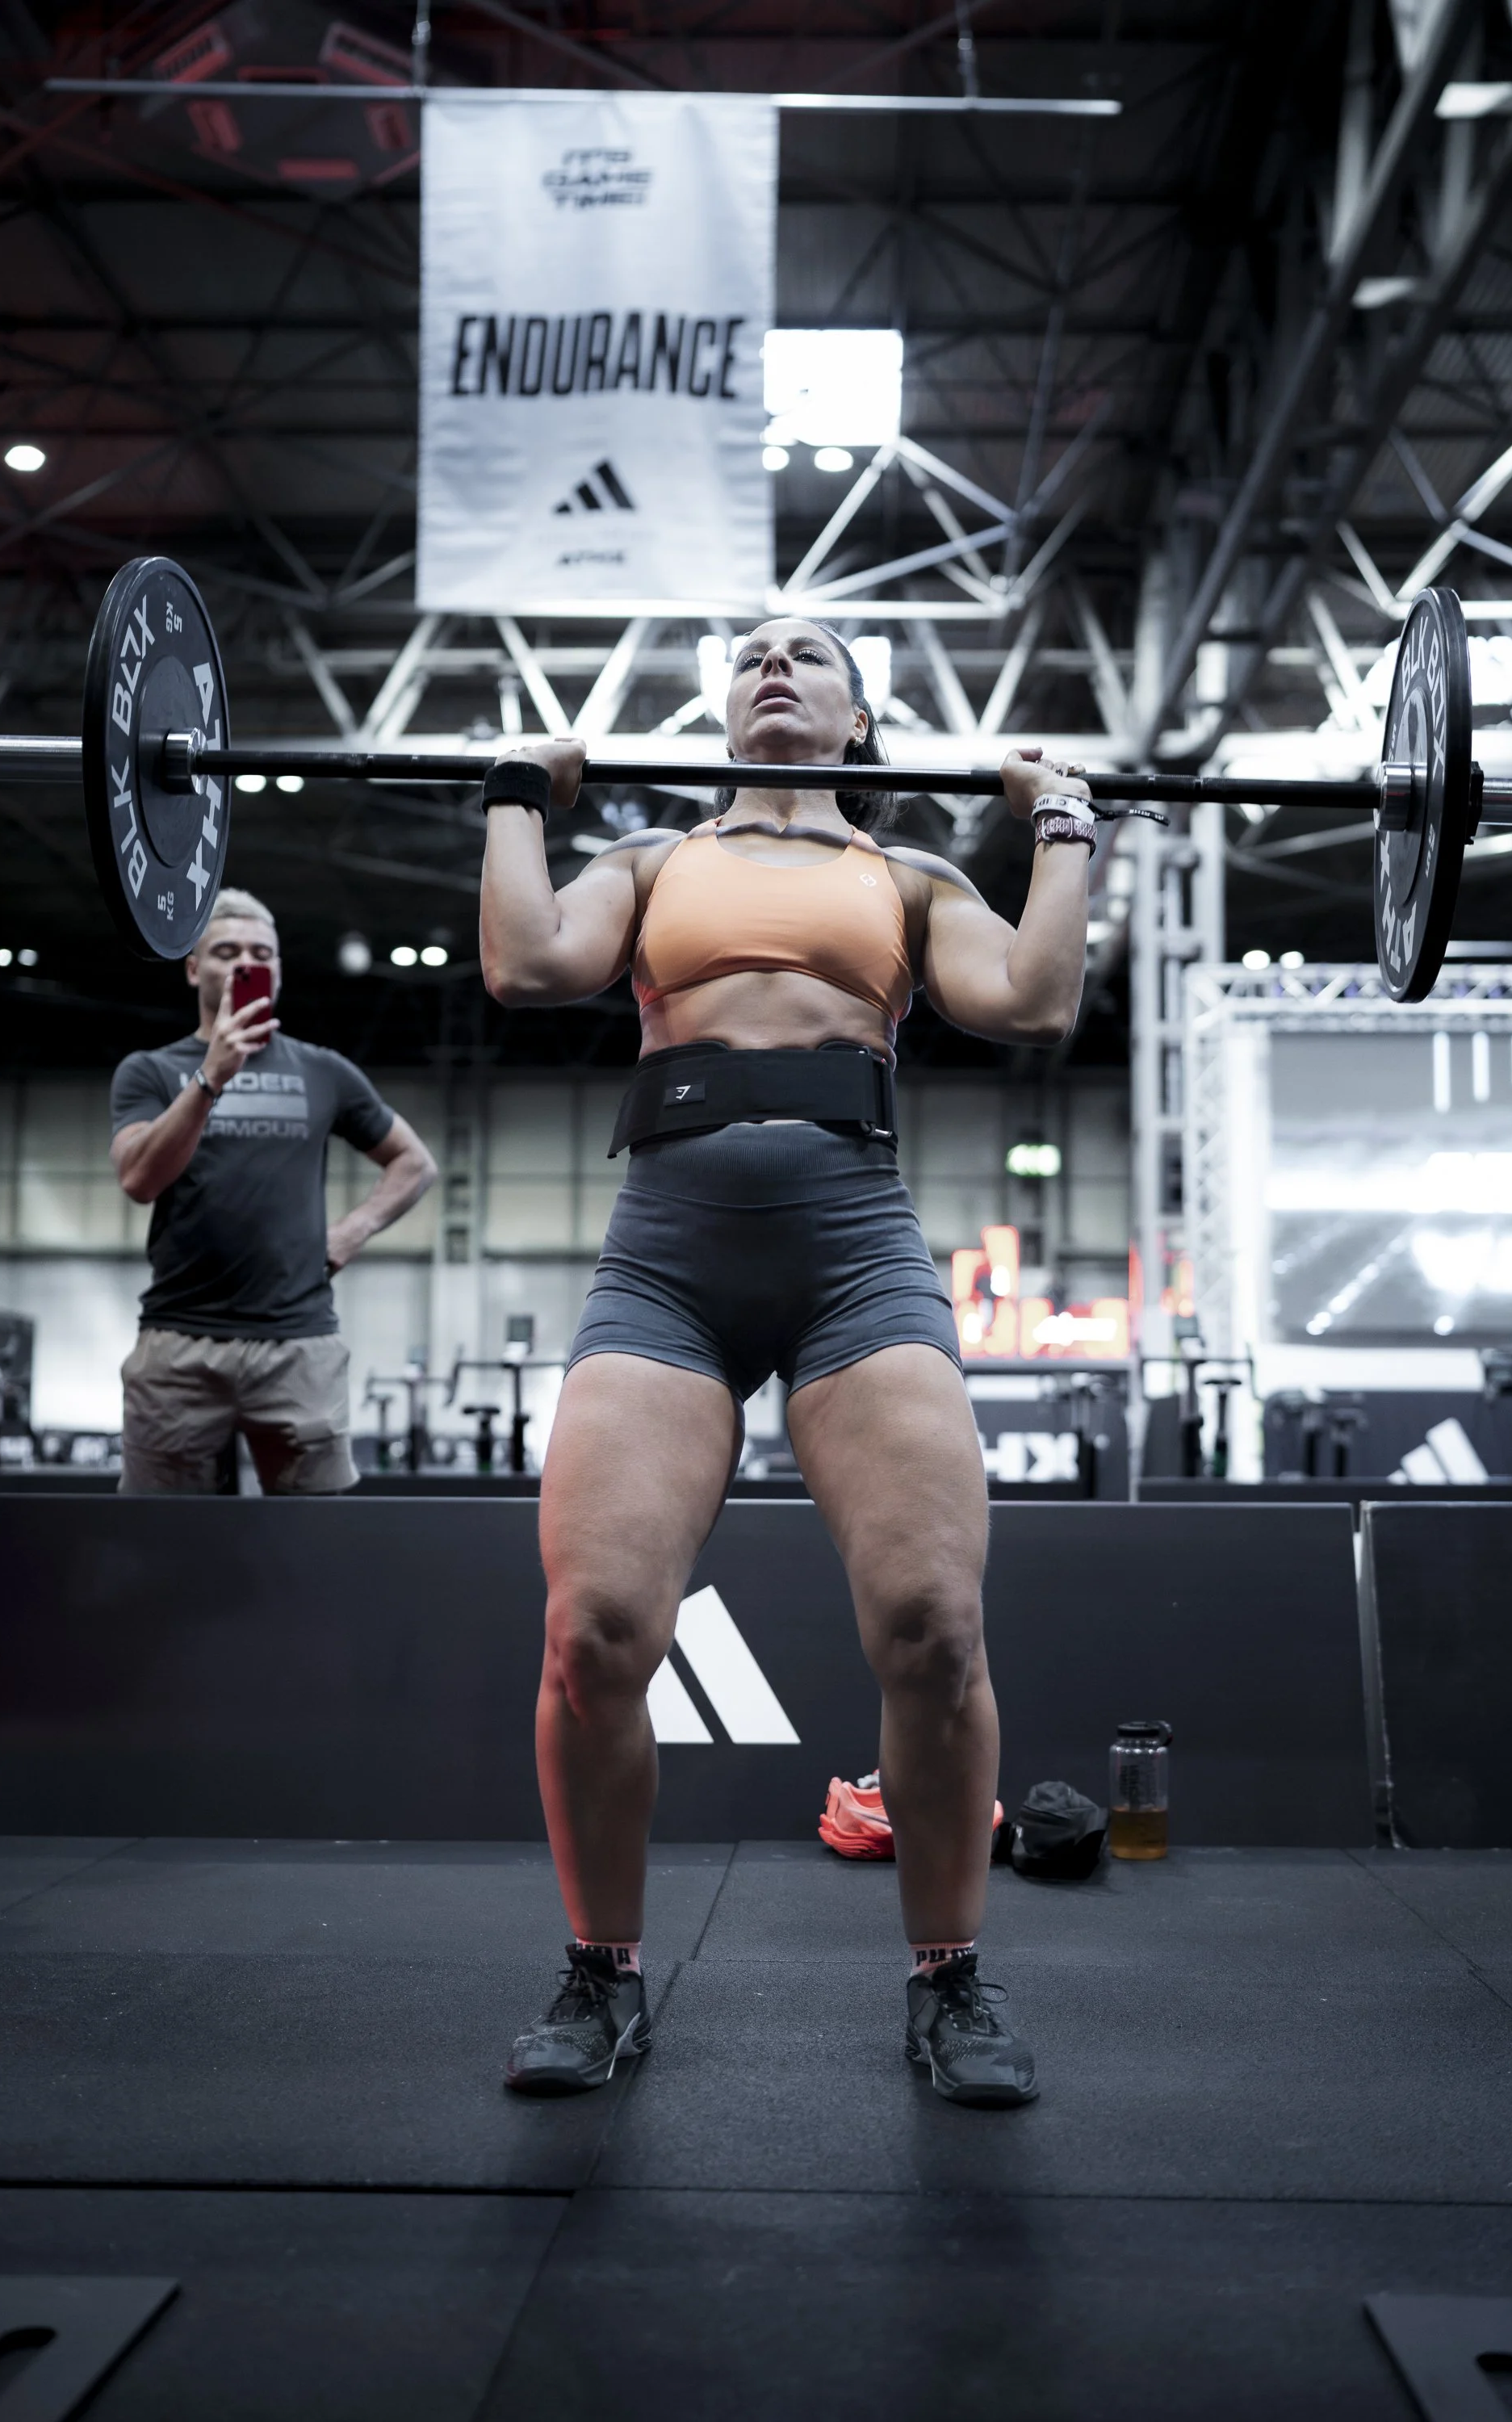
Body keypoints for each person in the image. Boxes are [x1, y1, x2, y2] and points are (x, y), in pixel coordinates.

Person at [480, 622, 1092, 2108]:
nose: (774, 666)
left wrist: (1063, 820)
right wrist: (516, 795)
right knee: (599, 1631)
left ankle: (949, 1979)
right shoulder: (644, 865)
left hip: (854, 1257)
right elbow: (522, 962)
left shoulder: (909, 880)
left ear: (858, 714)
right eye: (750, 653)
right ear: (720, 708)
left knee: (935, 1627)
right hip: (665, 1260)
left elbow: (1032, 1001)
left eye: (808, 654)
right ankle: (600, 1974)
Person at [110, 887, 437, 1494]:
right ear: (193, 968)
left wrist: (351, 1230)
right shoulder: (150, 1072)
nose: (243, 964)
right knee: (156, 1549)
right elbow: (138, 1178)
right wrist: (211, 1077)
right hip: (179, 1346)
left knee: (315, 1546)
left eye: (260, 954)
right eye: (225, 951)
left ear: (278, 971)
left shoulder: (324, 1071)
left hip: (299, 1345)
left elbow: (413, 1163)